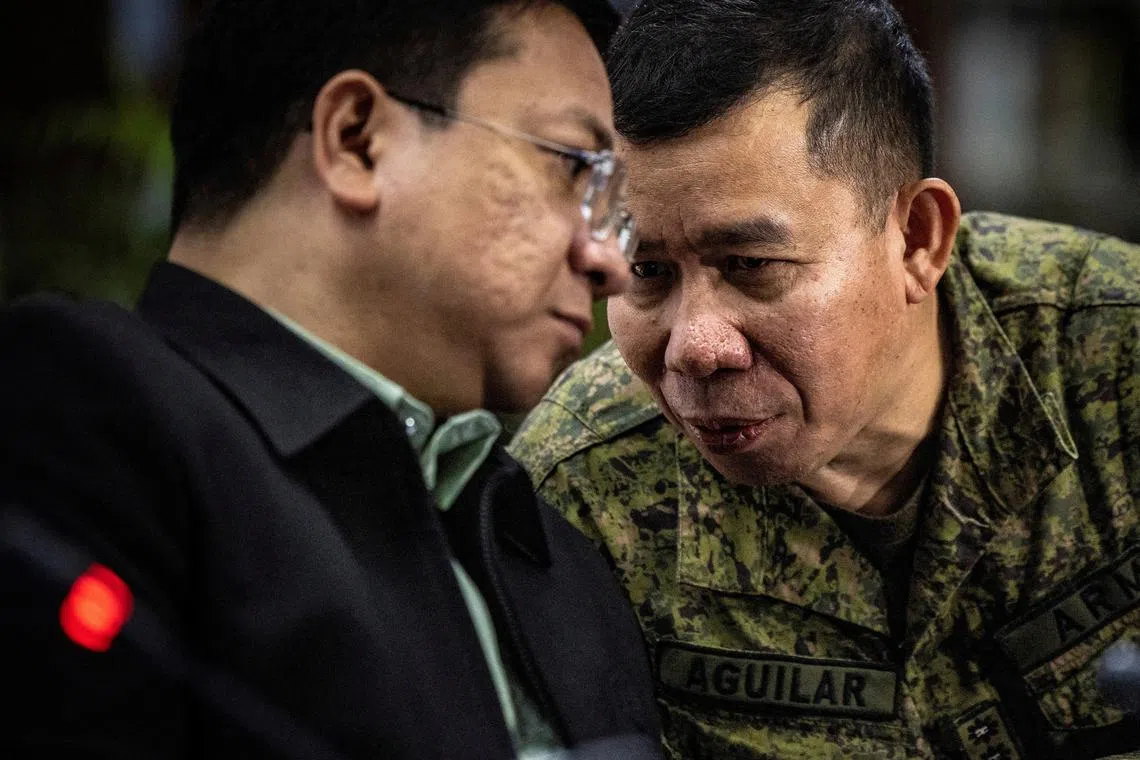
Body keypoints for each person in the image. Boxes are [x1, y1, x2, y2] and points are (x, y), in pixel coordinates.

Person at [0, 1, 664, 757]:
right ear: (357, 139)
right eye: (574, 168)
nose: (608, 262)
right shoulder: (81, 416)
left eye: (614, 212)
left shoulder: (542, 541)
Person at [509, 0, 1140, 758]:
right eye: (646, 272)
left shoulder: (1112, 354)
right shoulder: (582, 491)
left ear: (916, 239)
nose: (695, 348)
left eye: (752, 267)